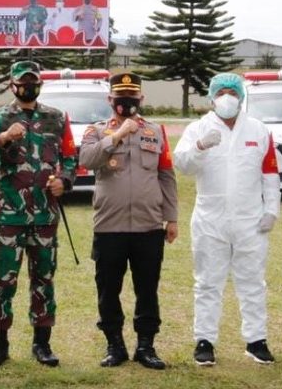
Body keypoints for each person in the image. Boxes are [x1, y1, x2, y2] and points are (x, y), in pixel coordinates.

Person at [0, 61, 77, 368]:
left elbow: (70, 158)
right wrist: (4, 137)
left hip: (45, 216)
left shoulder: (56, 118)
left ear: (40, 84)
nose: (28, 86)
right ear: (12, 84)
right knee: (2, 280)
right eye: (22, 81)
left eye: (33, 81)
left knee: (43, 279)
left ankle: (42, 344)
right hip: (9, 215)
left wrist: (65, 181)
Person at [174, 73, 280, 366]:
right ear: (211, 97)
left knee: (253, 282)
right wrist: (199, 147)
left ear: (242, 96)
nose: (227, 96)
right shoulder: (198, 128)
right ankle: (205, 340)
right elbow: (181, 164)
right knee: (208, 282)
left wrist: (271, 210)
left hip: (251, 220)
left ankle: (256, 340)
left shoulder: (258, 130)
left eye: (233, 91)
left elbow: (269, 173)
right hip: (210, 218)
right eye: (221, 91)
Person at [79, 72, 178, 370]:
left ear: (141, 99)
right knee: (108, 289)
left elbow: (166, 175)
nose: (126, 103)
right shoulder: (96, 131)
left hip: (148, 227)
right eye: (120, 98)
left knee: (147, 288)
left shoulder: (155, 131)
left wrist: (171, 218)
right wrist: (118, 135)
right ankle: (115, 345)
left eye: (132, 98)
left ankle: (146, 346)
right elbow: (86, 160)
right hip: (110, 227)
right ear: (110, 100)